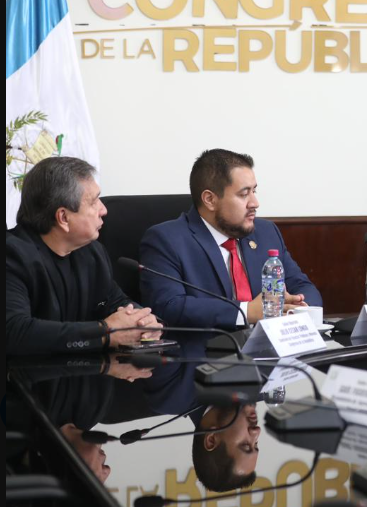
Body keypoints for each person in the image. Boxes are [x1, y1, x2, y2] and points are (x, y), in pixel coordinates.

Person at [140, 149, 321, 329]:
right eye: (244, 194)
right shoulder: (167, 240)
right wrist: (247, 311)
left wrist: (297, 307)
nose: (255, 203)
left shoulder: (266, 232)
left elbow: (303, 287)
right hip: (209, 354)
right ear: (210, 199)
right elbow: (169, 307)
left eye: (254, 191)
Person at [7, 157, 162, 355]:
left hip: (84, 375)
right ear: (63, 217)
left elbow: (116, 302)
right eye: (94, 201)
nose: (104, 210)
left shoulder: (92, 253)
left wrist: (144, 321)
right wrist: (104, 334)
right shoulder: (12, 257)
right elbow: (15, 332)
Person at [192, 403, 260, 492]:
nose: (257, 431)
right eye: (256, 443)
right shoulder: (268, 392)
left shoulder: (170, 393)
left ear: (211, 440)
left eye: (246, 445)